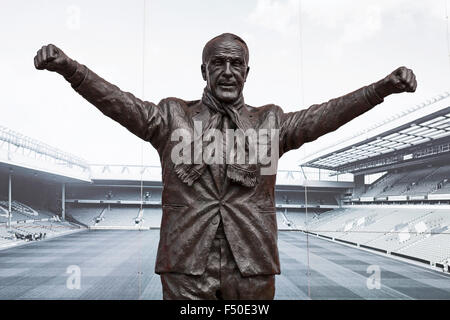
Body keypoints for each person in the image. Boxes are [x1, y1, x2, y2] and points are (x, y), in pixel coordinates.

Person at [34, 33, 416, 300]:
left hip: (252, 266)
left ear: (247, 72)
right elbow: (118, 102)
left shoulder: (271, 122)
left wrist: (379, 89)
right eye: (219, 62)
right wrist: (71, 69)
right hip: (185, 267)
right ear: (204, 71)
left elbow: (326, 115)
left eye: (237, 64)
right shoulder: (171, 116)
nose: (228, 71)